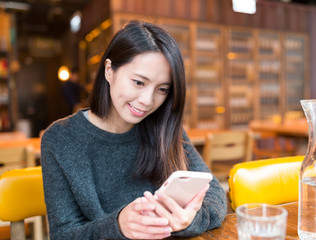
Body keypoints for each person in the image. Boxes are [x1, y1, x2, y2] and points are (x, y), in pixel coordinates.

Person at [41, 20, 227, 240]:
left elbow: (215, 194)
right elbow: (63, 235)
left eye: (162, 89)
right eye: (139, 82)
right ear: (109, 70)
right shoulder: (61, 139)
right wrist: (118, 226)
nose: (147, 101)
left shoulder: (163, 127)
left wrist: (188, 221)